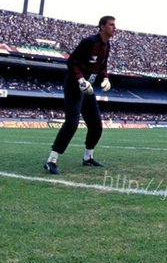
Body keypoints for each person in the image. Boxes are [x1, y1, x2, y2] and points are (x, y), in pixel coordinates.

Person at [44, 16, 115, 174]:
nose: (114, 27)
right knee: (72, 123)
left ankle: (88, 157)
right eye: (111, 24)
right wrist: (81, 79)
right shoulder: (89, 42)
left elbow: (102, 66)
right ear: (102, 27)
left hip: (88, 89)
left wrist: (105, 78)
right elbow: (72, 62)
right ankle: (51, 160)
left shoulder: (107, 45)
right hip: (74, 85)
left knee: (96, 124)